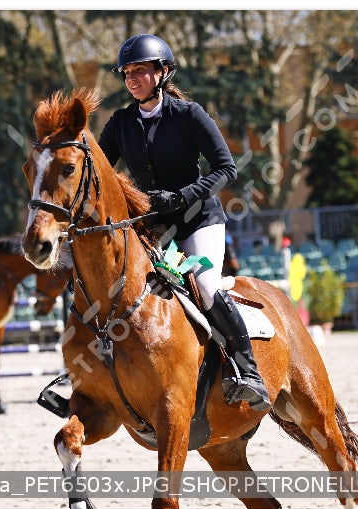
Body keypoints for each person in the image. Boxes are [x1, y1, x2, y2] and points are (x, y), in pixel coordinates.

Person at [98, 34, 271, 411]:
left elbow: (227, 169)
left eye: (140, 70)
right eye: (127, 72)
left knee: (206, 286)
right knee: (114, 289)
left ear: (162, 72)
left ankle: (248, 371)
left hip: (197, 221)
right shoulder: (120, 123)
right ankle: (93, 376)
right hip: (153, 228)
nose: (131, 78)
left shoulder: (189, 115)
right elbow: (101, 173)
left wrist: (181, 196)